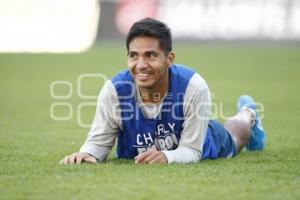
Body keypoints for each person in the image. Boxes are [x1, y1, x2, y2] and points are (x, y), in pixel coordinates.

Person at [59, 18, 265, 165]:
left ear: (169, 58)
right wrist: (87, 154)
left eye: (150, 55)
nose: (140, 64)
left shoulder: (193, 86)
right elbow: (98, 143)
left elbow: (192, 150)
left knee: (235, 138)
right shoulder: (114, 90)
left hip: (202, 138)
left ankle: (249, 114)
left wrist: (168, 156)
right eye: (133, 55)